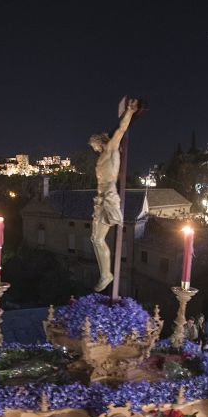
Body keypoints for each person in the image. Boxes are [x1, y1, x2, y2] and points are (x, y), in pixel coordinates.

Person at [88, 97, 139, 291]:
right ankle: (105, 274)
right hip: (100, 200)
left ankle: (106, 274)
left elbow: (121, 130)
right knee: (94, 239)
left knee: (99, 239)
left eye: (93, 145)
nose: (92, 148)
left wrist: (130, 112)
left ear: (99, 142)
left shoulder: (111, 149)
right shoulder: (102, 155)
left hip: (108, 197)